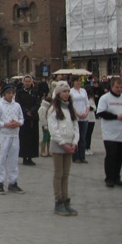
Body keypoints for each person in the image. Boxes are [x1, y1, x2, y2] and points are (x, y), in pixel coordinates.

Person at [47, 81, 79, 216]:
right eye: (64, 91)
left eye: (67, 91)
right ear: (58, 93)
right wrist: (63, 144)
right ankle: (58, 200)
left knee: (66, 174)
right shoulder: (54, 109)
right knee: (58, 173)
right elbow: (53, 130)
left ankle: (66, 200)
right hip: (59, 145)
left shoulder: (70, 108)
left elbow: (75, 127)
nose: (66, 94)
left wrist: (74, 142)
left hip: (70, 145)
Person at [96, 77, 122, 188]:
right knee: (111, 154)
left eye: (120, 87)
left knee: (120, 156)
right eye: (116, 87)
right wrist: (116, 116)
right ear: (111, 87)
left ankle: (117, 176)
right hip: (110, 132)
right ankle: (109, 177)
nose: (119, 89)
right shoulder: (105, 98)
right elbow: (101, 113)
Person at [0, 84, 25, 195]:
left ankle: (13, 182)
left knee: (13, 160)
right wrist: (5, 124)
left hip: (15, 135)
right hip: (4, 136)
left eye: (12, 93)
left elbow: (21, 118)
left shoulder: (17, 106)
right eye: (9, 93)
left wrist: (18, 123)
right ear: (4, 94)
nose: (11, 95)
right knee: (1, 159)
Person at [16, 75, 40, 166]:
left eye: (29, 81)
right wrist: (26, 111)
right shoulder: (19, 92)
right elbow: (18, 103)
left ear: (31, 82)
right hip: (24, 118)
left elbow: (38, 103)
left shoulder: (34, 92)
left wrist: (32, 111)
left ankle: (31, 156)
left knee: (33, 138)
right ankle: (24, 157)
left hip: (33, 117)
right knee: (24, 138)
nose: (27, 83)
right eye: (25, 81)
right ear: (23, 82)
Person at [69, 76, 90, 164]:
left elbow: (87, 103)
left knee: (83, 138)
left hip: (84, 117)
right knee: (75, 137)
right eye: (77, 81)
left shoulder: (83, 91)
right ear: (73, 82)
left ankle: (82, 156)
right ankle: (75, 156)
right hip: (76, 116)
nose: (78, 83)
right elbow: (71, 104)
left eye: (79, 81)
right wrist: (77, 114)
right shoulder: (71, 91)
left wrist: (86, 112)